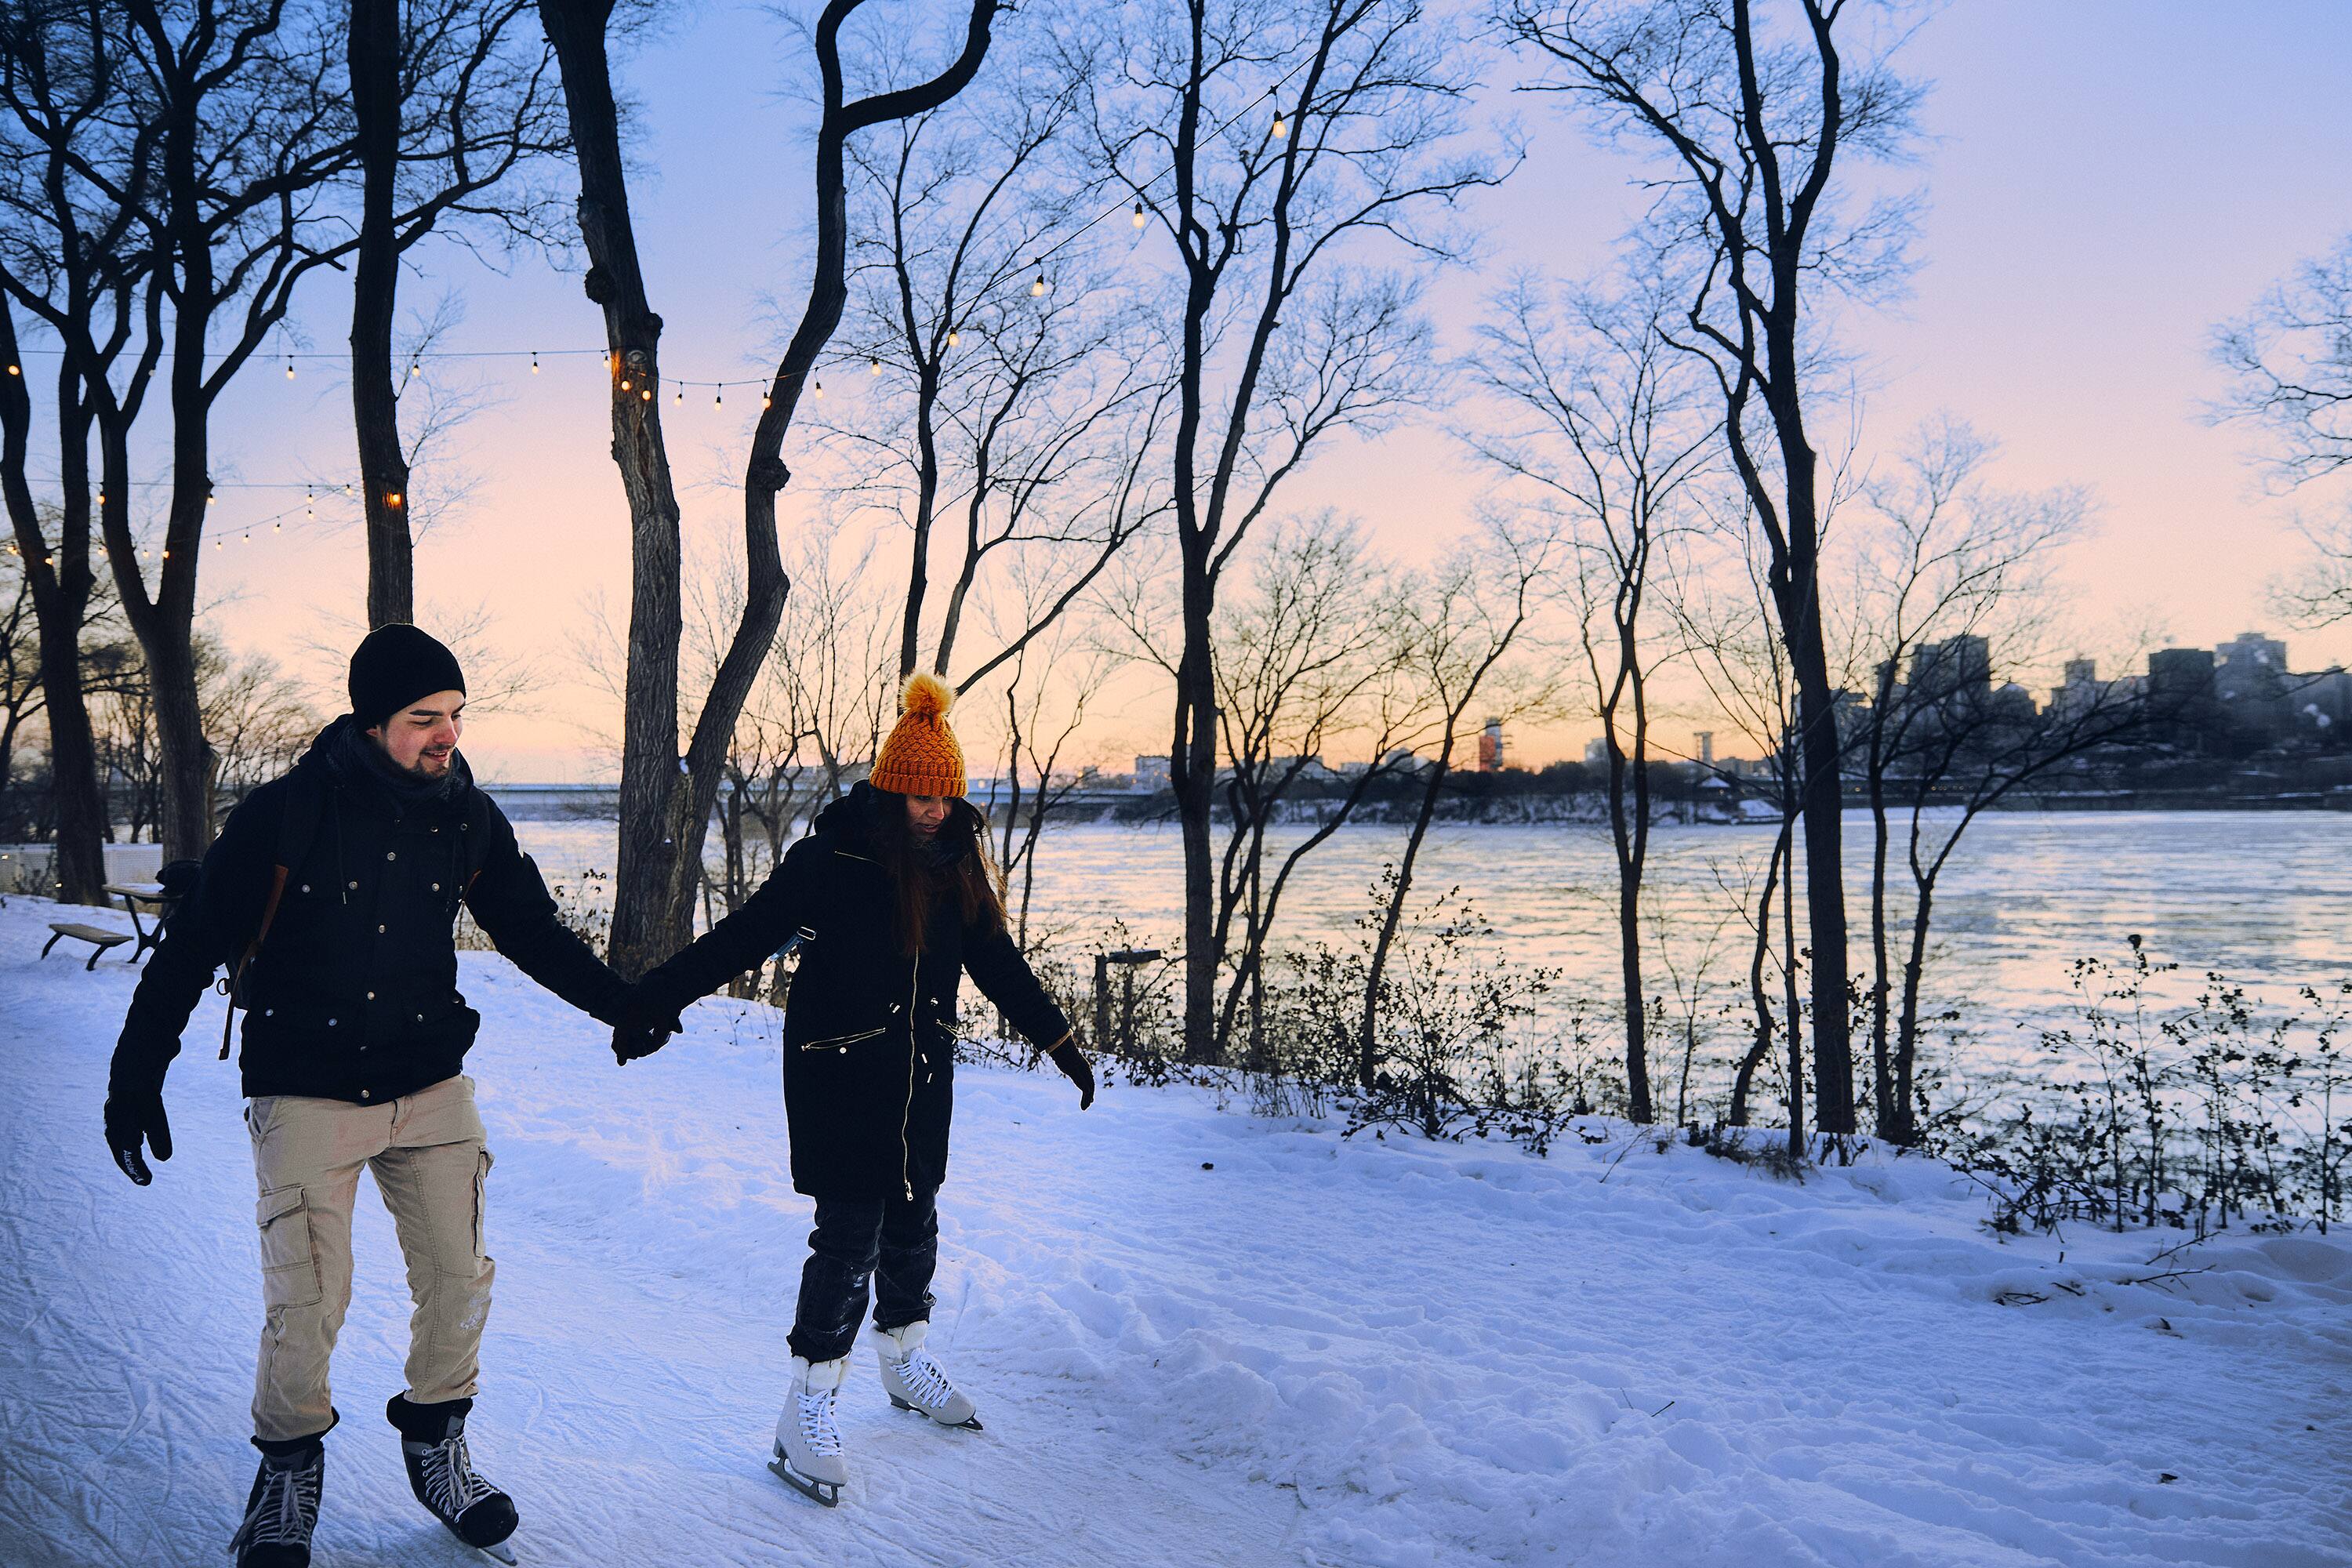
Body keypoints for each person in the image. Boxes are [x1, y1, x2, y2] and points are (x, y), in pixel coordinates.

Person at [103, 625, 638, 1568]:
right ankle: (286, 1473)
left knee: (459, 1277)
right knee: (308, 1298)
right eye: (425, 718)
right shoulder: (285, 812)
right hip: (305, 1085)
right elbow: (191, 948)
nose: (448, 735)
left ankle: (437, 1444)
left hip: (428, 1079)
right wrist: (134, 1075)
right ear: (372, 720)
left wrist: (621, 1004)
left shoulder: (467, 815)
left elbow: (532, 930)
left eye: (456, 715)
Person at [612, 671, 1094, 1508]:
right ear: (890, 790)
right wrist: (655, 998)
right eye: (920, 796)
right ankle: (808, 1401)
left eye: (946, 796)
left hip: (920, 1075)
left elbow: (998, 963)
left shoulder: (954, 866)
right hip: (839, 1075)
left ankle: (903, 1355)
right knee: (849, 1235)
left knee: (914, 1216)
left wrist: (1060, 1042)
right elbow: (742, 936)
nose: (935, 810)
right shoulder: (829, 860)